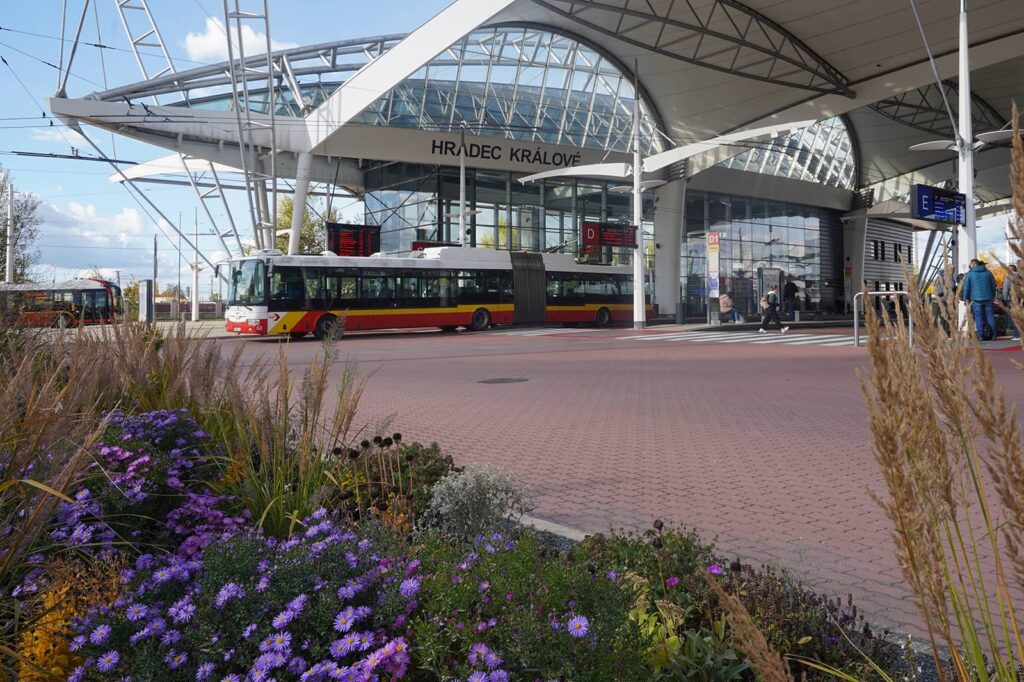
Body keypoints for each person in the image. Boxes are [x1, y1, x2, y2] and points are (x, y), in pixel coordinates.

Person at [960, 258, 998, 341]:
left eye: (970, 264)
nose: (969, 266)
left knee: (978, 317)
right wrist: (992, 295)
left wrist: (965, 298)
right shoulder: (988, 273)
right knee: (990, 316)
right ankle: (994, 334)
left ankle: (980, 335)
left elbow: (966, 288)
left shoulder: (969, 274)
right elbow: (993, 285)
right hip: (988, 298)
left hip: (976, 299)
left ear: (974, 264)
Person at [1002, 263, 1020, 340]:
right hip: (1021, 299)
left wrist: (1005, 299)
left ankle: (1017, 335)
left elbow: (1005, 291)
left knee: (1014, 317)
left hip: (1012, 299)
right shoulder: (1021, 277)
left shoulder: (1008, 278)